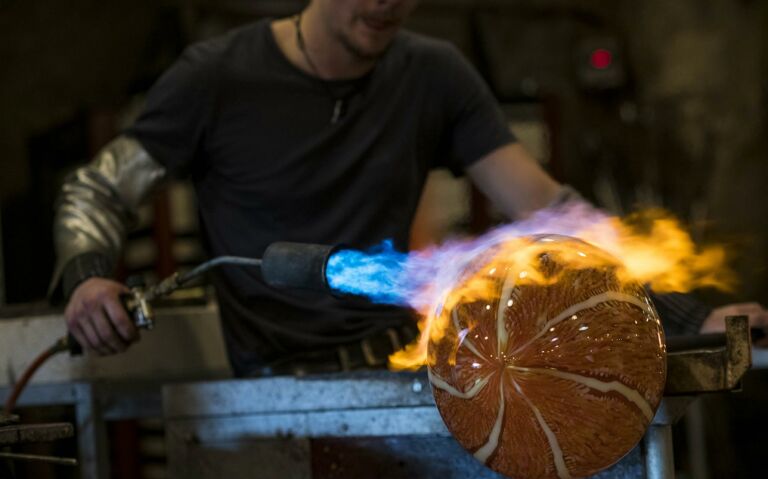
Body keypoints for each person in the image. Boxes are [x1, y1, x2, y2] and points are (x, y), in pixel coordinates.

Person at [52, 0, 767, 376]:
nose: (388, 0)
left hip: (410, 366)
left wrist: (684, 317)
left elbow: (549, 211)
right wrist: (87, 279)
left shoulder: (432, 74)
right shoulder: (217, 77)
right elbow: (95, 190)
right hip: (274, 384)